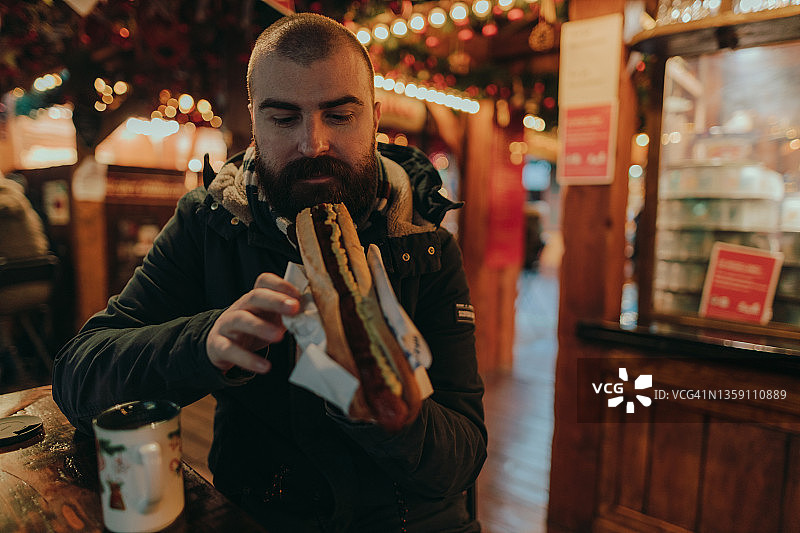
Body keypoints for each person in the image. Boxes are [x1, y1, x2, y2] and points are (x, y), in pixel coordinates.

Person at [53, 12, 486, 533]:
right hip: (261, 515)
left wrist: (393, 417)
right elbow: (78, 376)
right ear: (255, 122)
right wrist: (204, 343)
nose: (313, 144)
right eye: (284, 119)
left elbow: (463, 458)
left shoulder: (425, 244)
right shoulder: (210, 224)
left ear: (374, 119)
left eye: (339, 116)